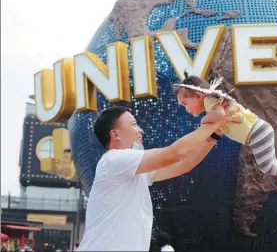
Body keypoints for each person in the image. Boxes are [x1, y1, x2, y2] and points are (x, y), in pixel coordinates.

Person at [76, 106, 232, 251]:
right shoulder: (115, 159)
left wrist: (213, 136)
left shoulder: (132, 169)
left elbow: (184, 164)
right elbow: (174, 153)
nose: (140, 130)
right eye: (134, 124)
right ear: (115, 134)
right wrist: (213, 123)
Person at [174, 72, 277, 203]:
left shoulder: (210, 101)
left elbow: (220, 116)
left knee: (268, 166)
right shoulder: (214, 103)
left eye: (185, 104)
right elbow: (221, 126)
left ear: (199, 96)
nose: (186, 109)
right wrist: (213, 135)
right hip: (258, 131)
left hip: (257, 132)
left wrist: (203, 121)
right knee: (268, 166)